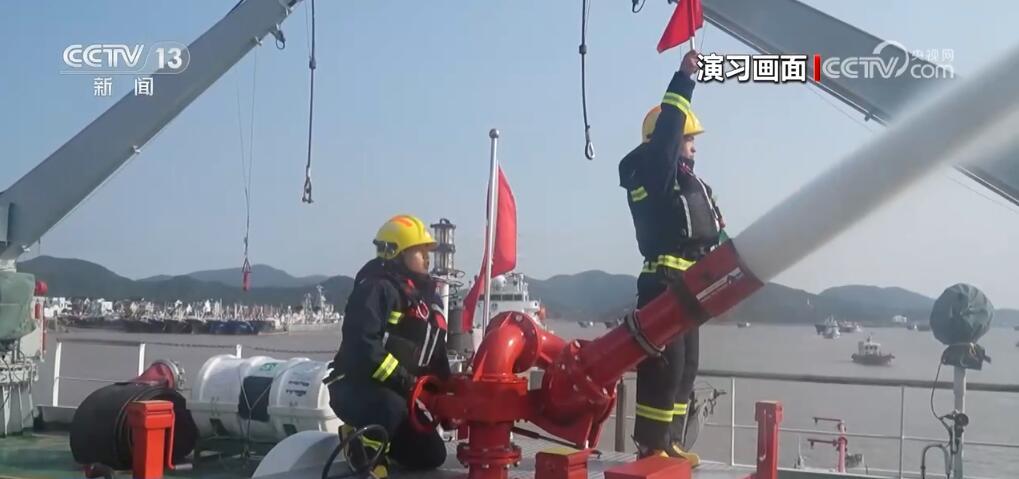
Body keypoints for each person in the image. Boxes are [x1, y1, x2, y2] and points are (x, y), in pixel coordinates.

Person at [618, 49, 725, 464]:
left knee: (687, 367)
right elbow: (664, 141)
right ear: (668, 138)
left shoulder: (692, 184)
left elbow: (713, 232)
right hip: (663, 286)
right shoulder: (653, 172)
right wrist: (684, 80)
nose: (694, 147)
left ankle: (672, 440)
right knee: (665, 365)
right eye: (689, 138)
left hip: (691, 288)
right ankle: (651, 443)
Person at [323, 214, 451, 478]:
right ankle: (363, 451)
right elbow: (364, 346)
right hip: (356, 388)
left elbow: (436, 352)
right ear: (395, 254)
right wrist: (405, 381)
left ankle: (382, 438)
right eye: (418, 251)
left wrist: (448, 393)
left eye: (427, 252)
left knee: (432, 455)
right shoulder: (376, 289)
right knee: (391, 407)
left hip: (398, 394)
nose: (427, 258)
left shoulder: (427, 299)